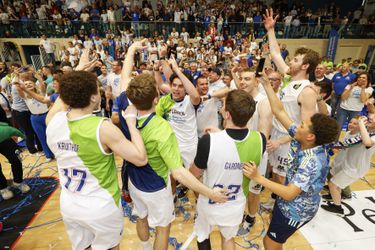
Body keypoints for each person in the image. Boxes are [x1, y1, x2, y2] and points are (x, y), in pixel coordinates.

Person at [45, 71, 148, 250]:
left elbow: (61, 101)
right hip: (100, 207)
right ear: (93, 98)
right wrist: (131, 122)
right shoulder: (103, 128)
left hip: (69, 204)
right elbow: (140, 159)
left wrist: (76, 74)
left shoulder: (54, 121)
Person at [126, 73, 227, 250]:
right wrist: (211, 193)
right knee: (163, 229)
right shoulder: (162, 128)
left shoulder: (128, 117)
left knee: (141, 217)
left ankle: (145, 247)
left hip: (134, 182)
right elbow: (179, 173)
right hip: (156, 186)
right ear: (156, 99)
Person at [243, 74, 339, 250]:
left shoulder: (312, 162)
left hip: (295, 211)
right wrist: (266, 85)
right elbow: (279, 111)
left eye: (303, 125)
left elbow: (289, 193)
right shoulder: (303, 138)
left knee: (269, 244)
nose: (298, 125)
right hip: (286, 205)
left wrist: (258, 177)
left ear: (310, 136)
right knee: (275, 236)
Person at [190, 89, 266, 250]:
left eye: (223, 106)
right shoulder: (261, 140)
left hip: (210, 201)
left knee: (203, 235)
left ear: (227, 115)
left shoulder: (209, 141)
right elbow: (237, 147)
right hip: (235, 203)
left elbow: (194, 174)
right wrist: (219, 134)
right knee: (228, 238)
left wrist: (213, 139)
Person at [263, 9, 321, 208]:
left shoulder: (307, 92)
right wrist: (271, 30)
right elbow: (275, 53)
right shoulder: (288, 77)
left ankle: (282, 207)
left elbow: (305, 129)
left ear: (305, 66)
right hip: (277, 133)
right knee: (274, 171)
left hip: (287, 141)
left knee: (281, 177)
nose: (291, 61)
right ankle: (275, 200)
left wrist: (281, 141)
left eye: (296, 60)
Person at [321, 114, 375, 214]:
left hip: (356, 168)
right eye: (370, 117)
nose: (370, 118)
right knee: (336, 184)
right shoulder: (364, 132)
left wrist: (361, 124)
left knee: (332, 184)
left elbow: (367, 142)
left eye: (373, 117)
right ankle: (335, 197)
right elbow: (348, 144)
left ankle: (338, 208)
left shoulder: (370, 135)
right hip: (349, 163)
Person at [0, 106, 30, 200]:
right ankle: (2, 187)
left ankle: (18, 182)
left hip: (4, 135)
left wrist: (11, 131)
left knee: (16, 159)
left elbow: (3, 117)